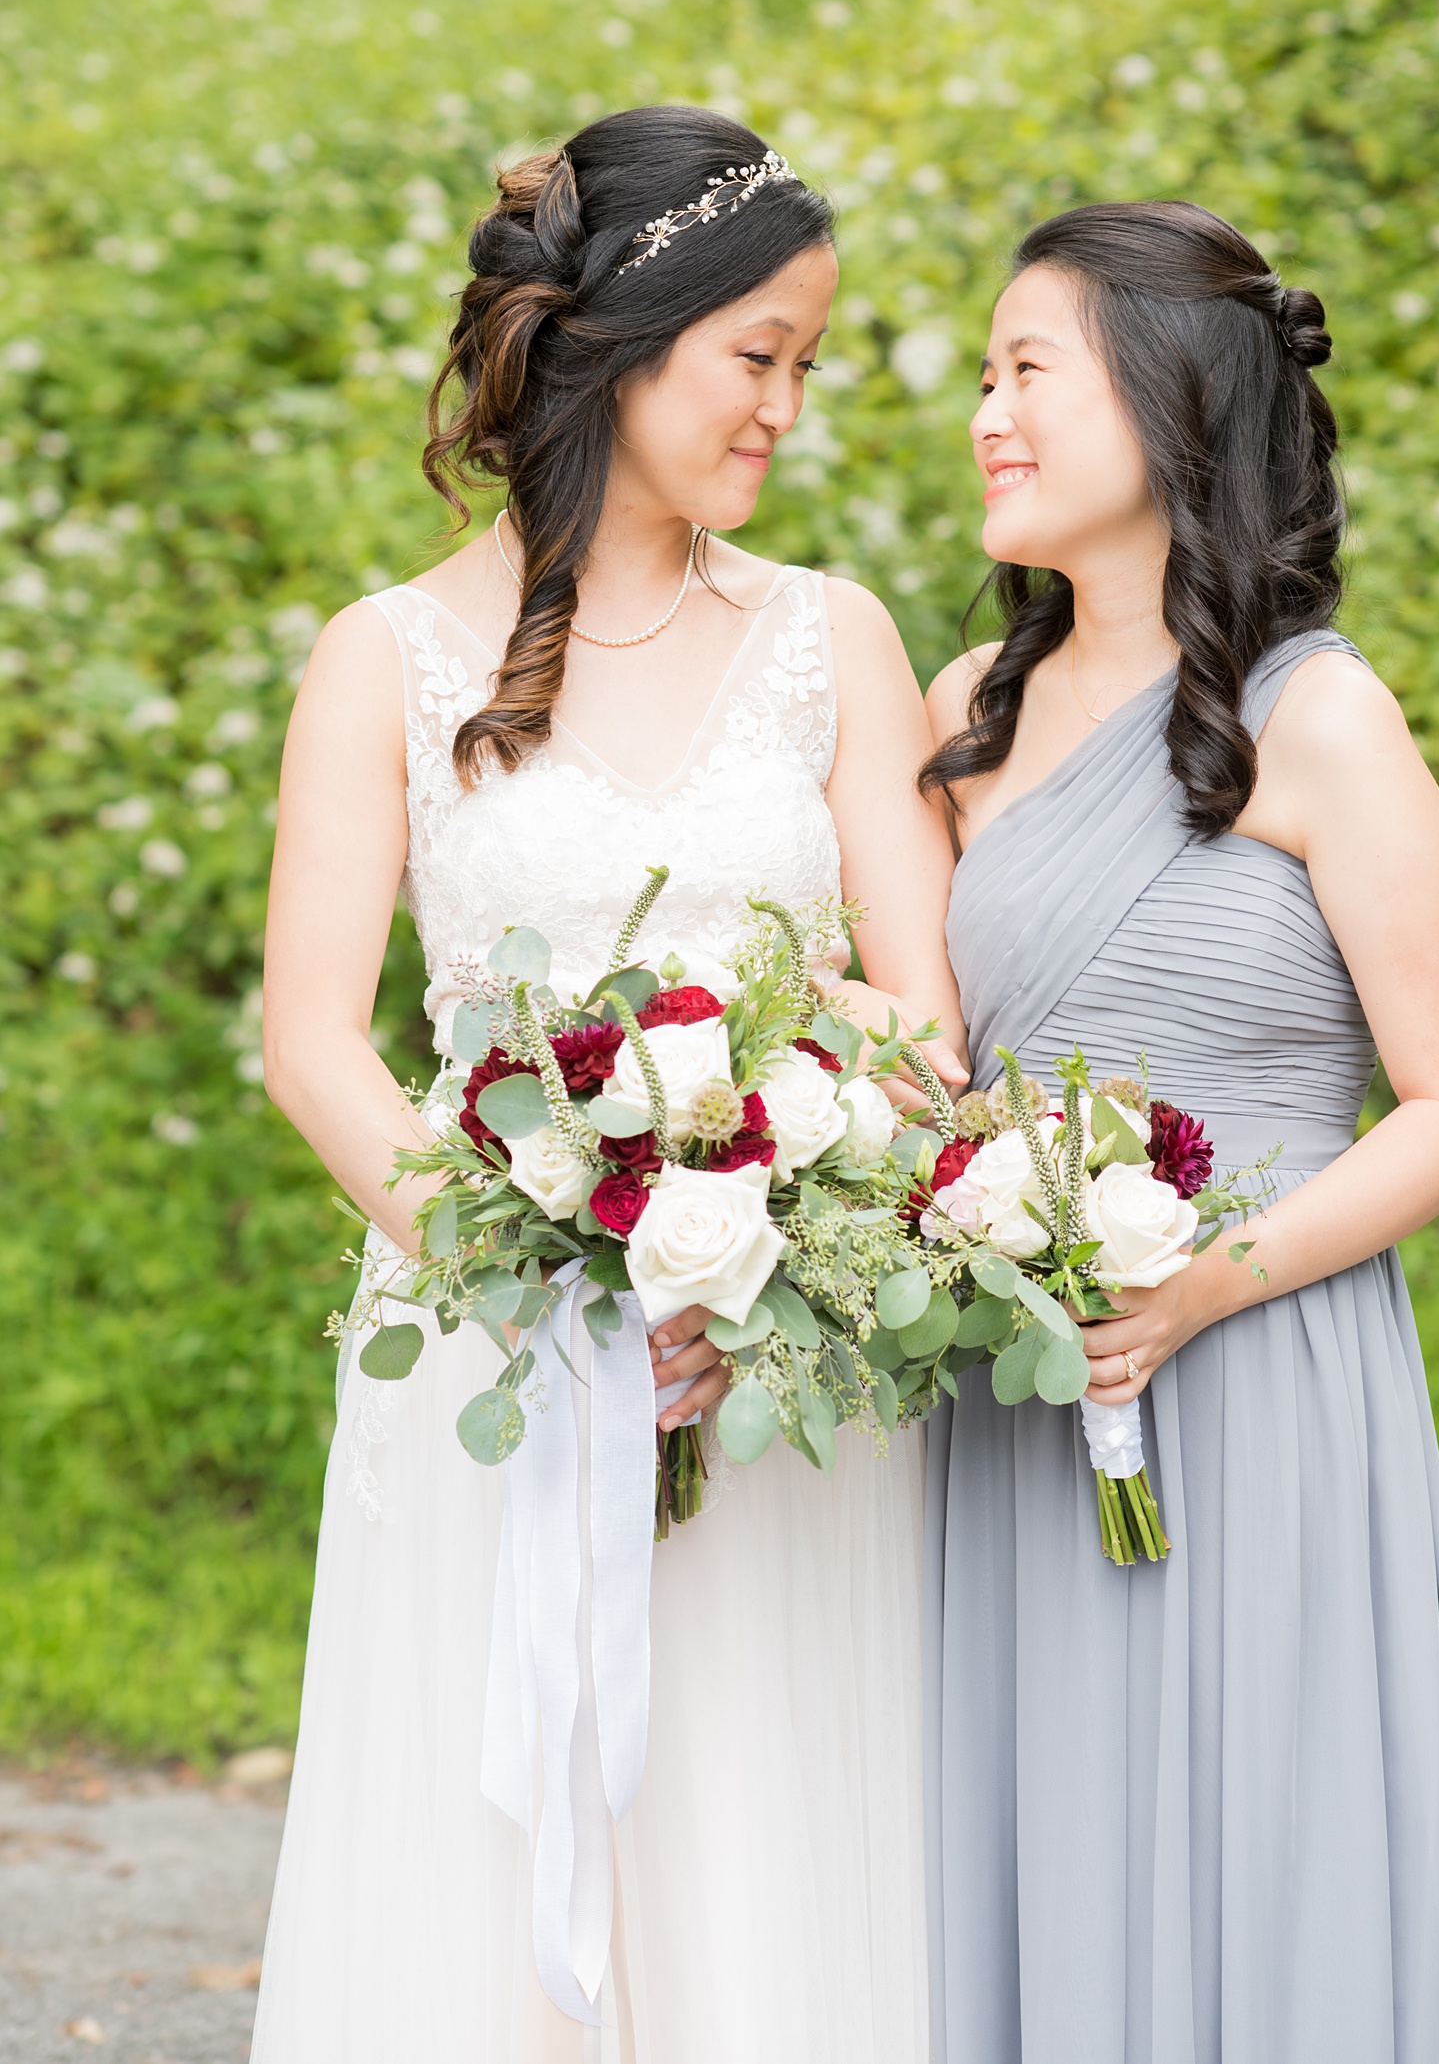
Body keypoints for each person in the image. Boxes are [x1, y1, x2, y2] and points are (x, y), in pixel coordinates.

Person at [253, 106, 964, 2063]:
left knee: (764, 1855)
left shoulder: (835, 638)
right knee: (480, 1875)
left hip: (774, 1356)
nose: (788, 414)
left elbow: (917, 1002)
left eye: (808, 366)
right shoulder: (378, 660)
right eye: (760, 358)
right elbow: (314, 1033)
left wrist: (757, 1222)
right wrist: (542, 1275)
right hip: (500, 1346)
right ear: (624, 339)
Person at [920, 200, 1439, 2064]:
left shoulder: (1321, 721)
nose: (984, 416)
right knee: (1038, 1863)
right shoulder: (967, 714)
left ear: (1167, 399)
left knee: (1269, 1869)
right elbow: (928, 1063)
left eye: (1025, 369)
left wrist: (1205, 1283)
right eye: (984, 377)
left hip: (1265, 1371)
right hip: (1016, 1391)